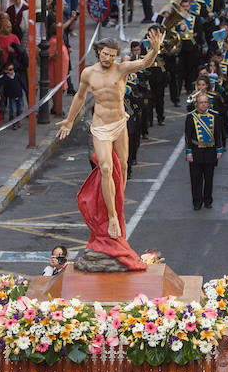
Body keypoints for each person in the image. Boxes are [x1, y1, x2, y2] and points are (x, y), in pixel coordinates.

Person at [57, 29, 164, 238]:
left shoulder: (121, 69)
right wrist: (69, 120)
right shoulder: (88, 73)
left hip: (119, 123)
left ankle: (118, 204)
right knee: (106, 168)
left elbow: (144, 63)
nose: (108, 58)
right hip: (100, 126)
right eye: (105, 54)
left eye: (112, 55)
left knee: (123, 167)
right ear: (98, 52)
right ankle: (112, 216)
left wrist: (155, 50)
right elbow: (79, 97)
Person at [185, 93, 224, 210]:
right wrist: (188, 152)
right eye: (201, 102)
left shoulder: (215, 116)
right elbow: (188, 135)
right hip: (196, 151)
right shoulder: (191, 117)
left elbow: (218, 134)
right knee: (196, 179)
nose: (203, 105)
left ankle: (208, 200)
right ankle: (197, 202)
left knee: (209, 178)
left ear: (209, 104)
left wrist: (219, 149)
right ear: (196, 104)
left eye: (205, 102)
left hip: (210, 151)